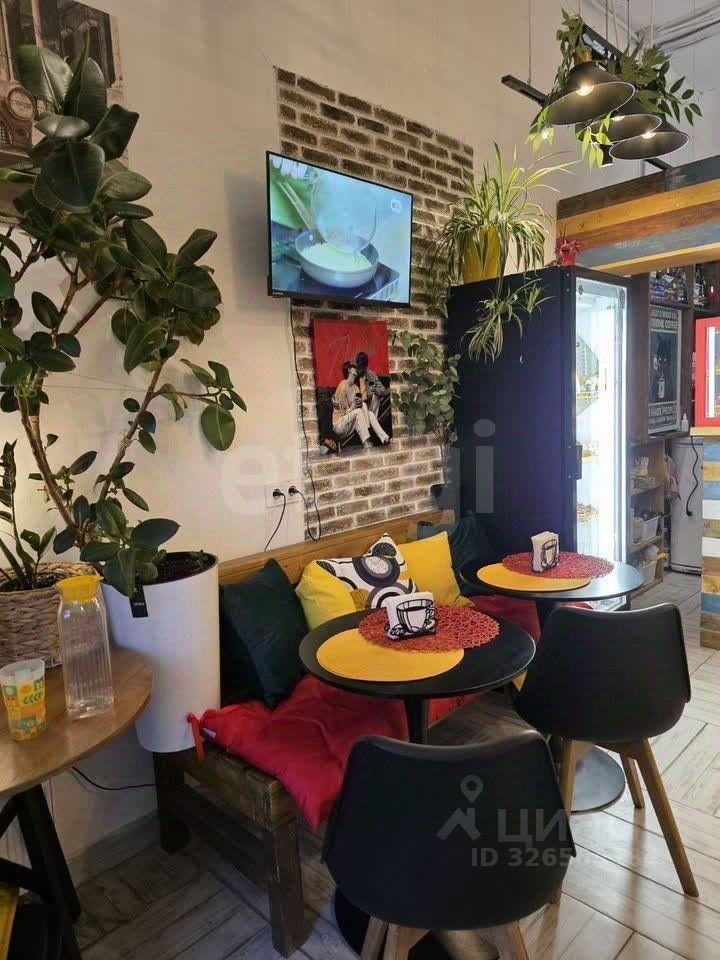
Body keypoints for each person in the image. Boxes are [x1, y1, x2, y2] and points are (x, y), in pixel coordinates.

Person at [332, 362, 390, 450]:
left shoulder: (356, 388)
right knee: (358, 411)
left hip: (351, 421)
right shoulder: (342, 385)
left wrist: (358, 404)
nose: (356, 368)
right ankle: (366, 442)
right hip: (340, 424)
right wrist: (354, 406)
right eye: (353, 367)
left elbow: (359, 405)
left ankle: (385, 439)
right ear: (349, 370)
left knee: (369, 412)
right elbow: (344, 413)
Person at [355, 351, 389, 418]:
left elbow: (384, 391)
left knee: (376, 396)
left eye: (363, 366)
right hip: (356, 406)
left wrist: (376, 390)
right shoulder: (353, 375)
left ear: (366, 366)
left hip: (369, 406)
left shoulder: (371, 375)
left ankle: (372, 419)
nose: (360, 369)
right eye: (359, 366)